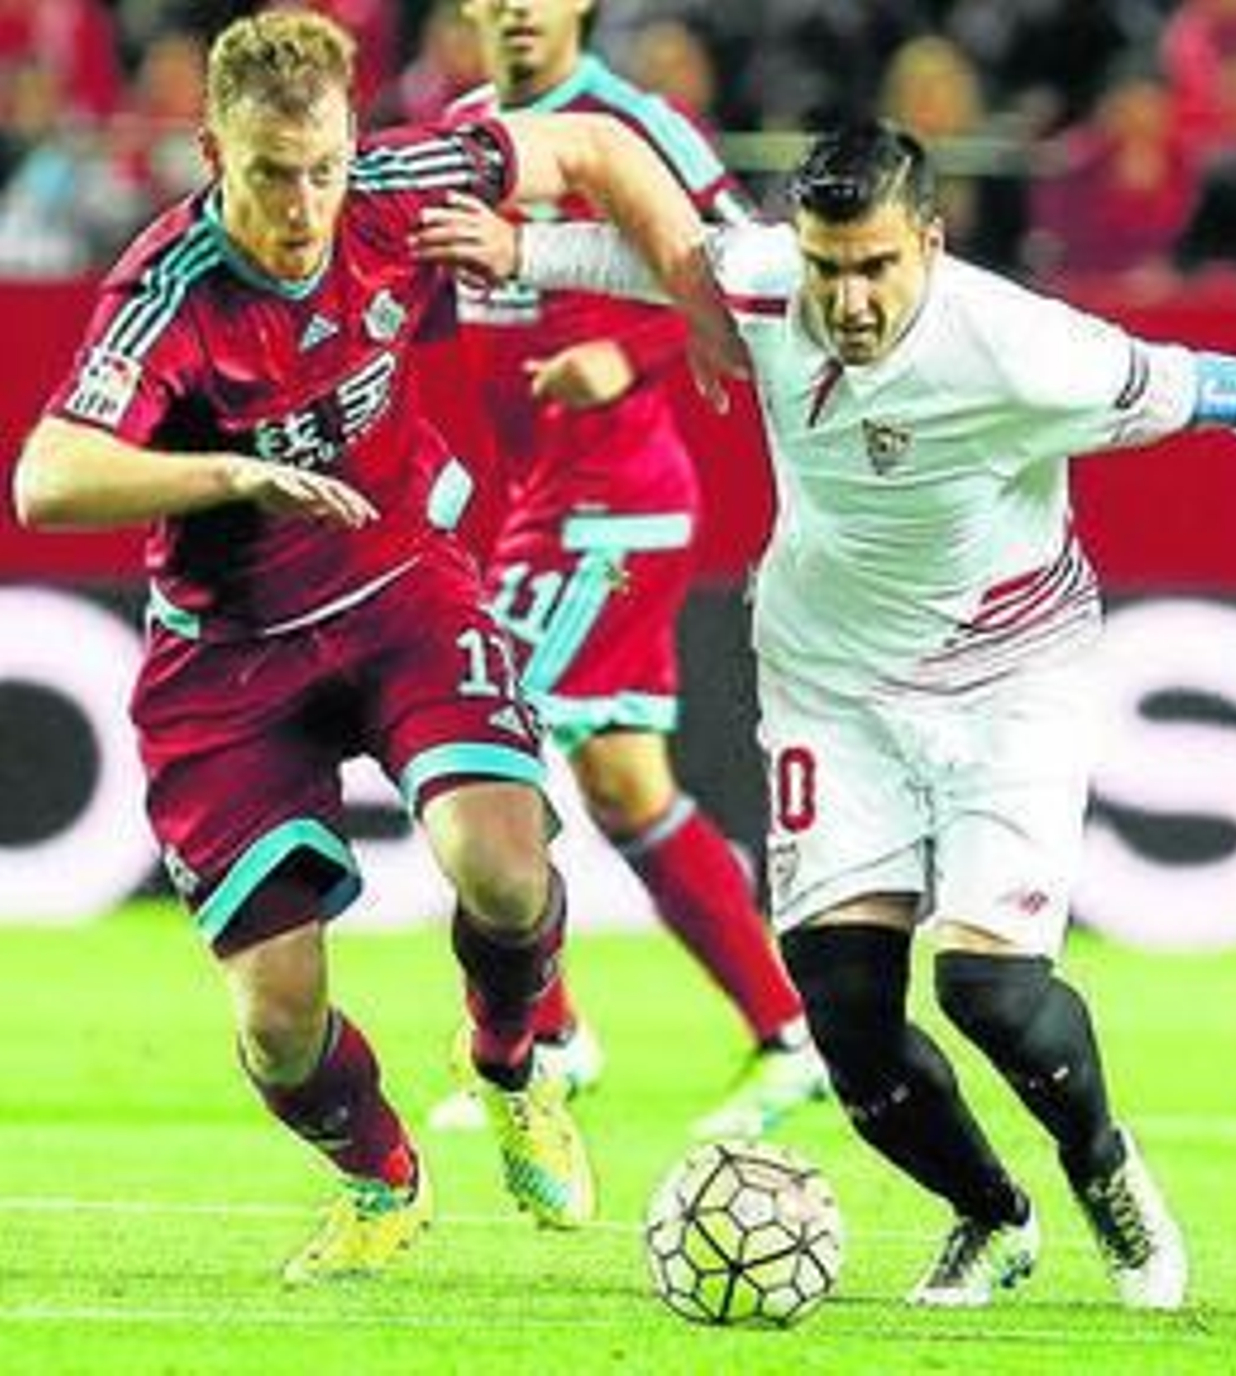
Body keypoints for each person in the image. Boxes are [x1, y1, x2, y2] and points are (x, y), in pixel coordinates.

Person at [414, 121, 1236, 1311]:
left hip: (1008, 681)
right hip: (829, 682)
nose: (846, 299)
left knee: (988, 992)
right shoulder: (769, 281)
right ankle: (989, 1216)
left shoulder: (1028, 353)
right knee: (849, 1022)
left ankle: (1102, 1170)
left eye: (874, 267)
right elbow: (662, 257)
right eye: (825, 268)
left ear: (931, 240)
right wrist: (517, 247)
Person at [9, 8, 738, 1285]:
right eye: (271, 174)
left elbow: (598, 153)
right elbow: (47, 478)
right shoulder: (166, 292)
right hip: (228, 661)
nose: (303, 205)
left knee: (500, 865)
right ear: (211, 152)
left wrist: (693, 292)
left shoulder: (401, 182)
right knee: (279, 1024)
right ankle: (378, 1171)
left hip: (403, 585)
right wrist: (227, 474)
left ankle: (513, 1059)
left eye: (325, 168)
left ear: (356, 143)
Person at [423, 0, 827, 1143]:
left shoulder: (633, 123)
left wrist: (633, 346)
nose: (512, 9)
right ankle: (787, 1031)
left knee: (472, 735)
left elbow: (757, 269)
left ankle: (545, 1035)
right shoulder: (460, 134)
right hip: (540, 505)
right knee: (624, 787)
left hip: (613, 503)